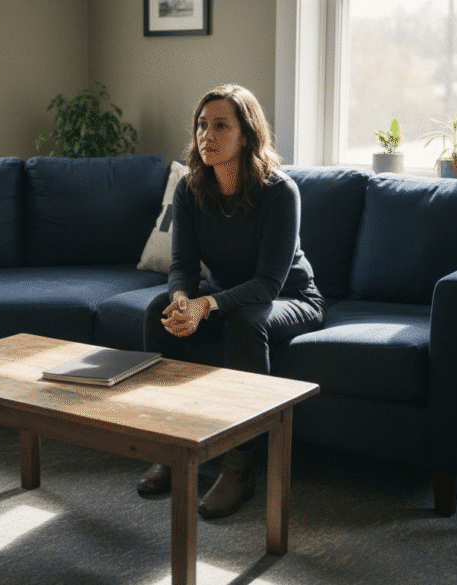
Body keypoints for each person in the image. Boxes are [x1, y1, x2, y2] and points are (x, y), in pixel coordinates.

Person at [136, 84, 326, 519]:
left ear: (247, 135)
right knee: (156, 311)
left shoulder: (280, 192)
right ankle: (171, 446)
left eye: (221, 125)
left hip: (290, 297)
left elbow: (269, 284)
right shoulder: (190, 188)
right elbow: (182, 265)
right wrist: (183, 300)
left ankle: (240, 464)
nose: (207, 135)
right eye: (202, 125)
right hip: (227, 296)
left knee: (246, 320)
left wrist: (206, 306)